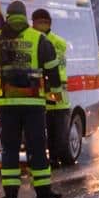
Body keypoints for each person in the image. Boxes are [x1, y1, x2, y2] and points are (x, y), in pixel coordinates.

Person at [0, 0, 61, 198]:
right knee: (36, 147)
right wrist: (56, 92)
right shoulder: (38, 39)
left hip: (7, 103)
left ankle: (10, 196)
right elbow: (52, 67)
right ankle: (43, 193)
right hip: (33, 103)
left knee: (10, 149)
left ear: (8, 16)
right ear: (25, 17)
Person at [31, 9, 70, 166]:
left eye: (43, 21)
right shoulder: (58, 42)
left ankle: (52, 158)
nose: (41, 24)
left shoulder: (52, 42)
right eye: (38, 21)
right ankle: (50, 158)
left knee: (54, 129)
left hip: (52, 92)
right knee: (45, 130)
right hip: (47, 92)